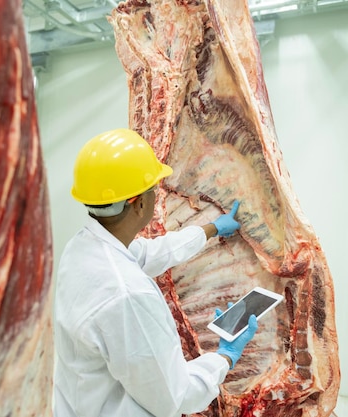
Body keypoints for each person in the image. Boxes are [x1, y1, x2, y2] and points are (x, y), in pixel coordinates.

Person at [53, 128, 258, 417]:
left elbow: (149, 254)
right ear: (138, 204)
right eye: (153, 189)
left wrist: (211, 229)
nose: (155, 194)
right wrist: (225, 356)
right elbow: (176, 397)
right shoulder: (128, 296)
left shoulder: (82, 249)